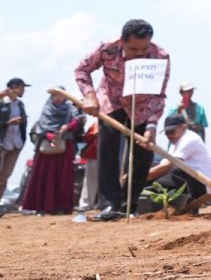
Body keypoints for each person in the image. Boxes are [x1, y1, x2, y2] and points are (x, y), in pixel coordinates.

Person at [75, 19, 171, 222]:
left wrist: (152, 126)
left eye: (144, 48)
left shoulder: (160, 56)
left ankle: (131, 204)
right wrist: (90, 96)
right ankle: (110, 203)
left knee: (143, 153)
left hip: (143, 108)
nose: (140, 54)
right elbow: (82, 70)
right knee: (108, 148)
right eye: (134, 49)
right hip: (112, 102)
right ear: (123, 41)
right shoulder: (107, 48)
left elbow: (159, 95)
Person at [22, 87, 83, 215]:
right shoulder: (46, 109)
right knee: (45, 175)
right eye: (55, 95)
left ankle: (62, 206)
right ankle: (41, 206)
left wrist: (67, 127)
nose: (58, 98)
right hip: (47, 147)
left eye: (60, 95)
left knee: (64, 176)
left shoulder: (69, 107)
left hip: (65, 145)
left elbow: (77, 119)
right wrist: (50, 136)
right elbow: (41, 127)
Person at [147, 114, 211, 211]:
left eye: (172, 132)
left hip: (204, 183)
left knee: (172, 174)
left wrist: (141, 178)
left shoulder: (190, 139)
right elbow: (162, 164)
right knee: (158, 174)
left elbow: (166, 167)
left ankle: (183, 203)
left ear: (183, 127)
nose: (169, 136)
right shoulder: (175, 143)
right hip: (191, 180)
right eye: (167, 133)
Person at [0, 78, 30, 196]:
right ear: (14, 87)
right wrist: (8, 123)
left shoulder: (20, 104)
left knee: (4, 176)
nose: (23, 90)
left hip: (15, 144)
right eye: (22, 87)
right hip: (2, 143)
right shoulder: (2, 101)